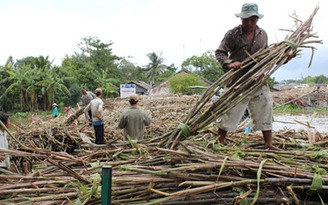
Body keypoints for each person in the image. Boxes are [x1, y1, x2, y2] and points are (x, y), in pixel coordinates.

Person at [215, 3, 280, 150]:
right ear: (241, 19)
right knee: (229, 110)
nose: (249, 23)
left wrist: (278, 59)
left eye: (252, 19)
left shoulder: (262, 34)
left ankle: (268, 144)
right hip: (238, 81)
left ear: (257, 19)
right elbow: (220, 52)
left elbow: (267, 55)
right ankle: (220, 143)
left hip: (258, 80)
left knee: (265, 107)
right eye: (245, 20)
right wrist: (230, 63)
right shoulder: (232, 34)